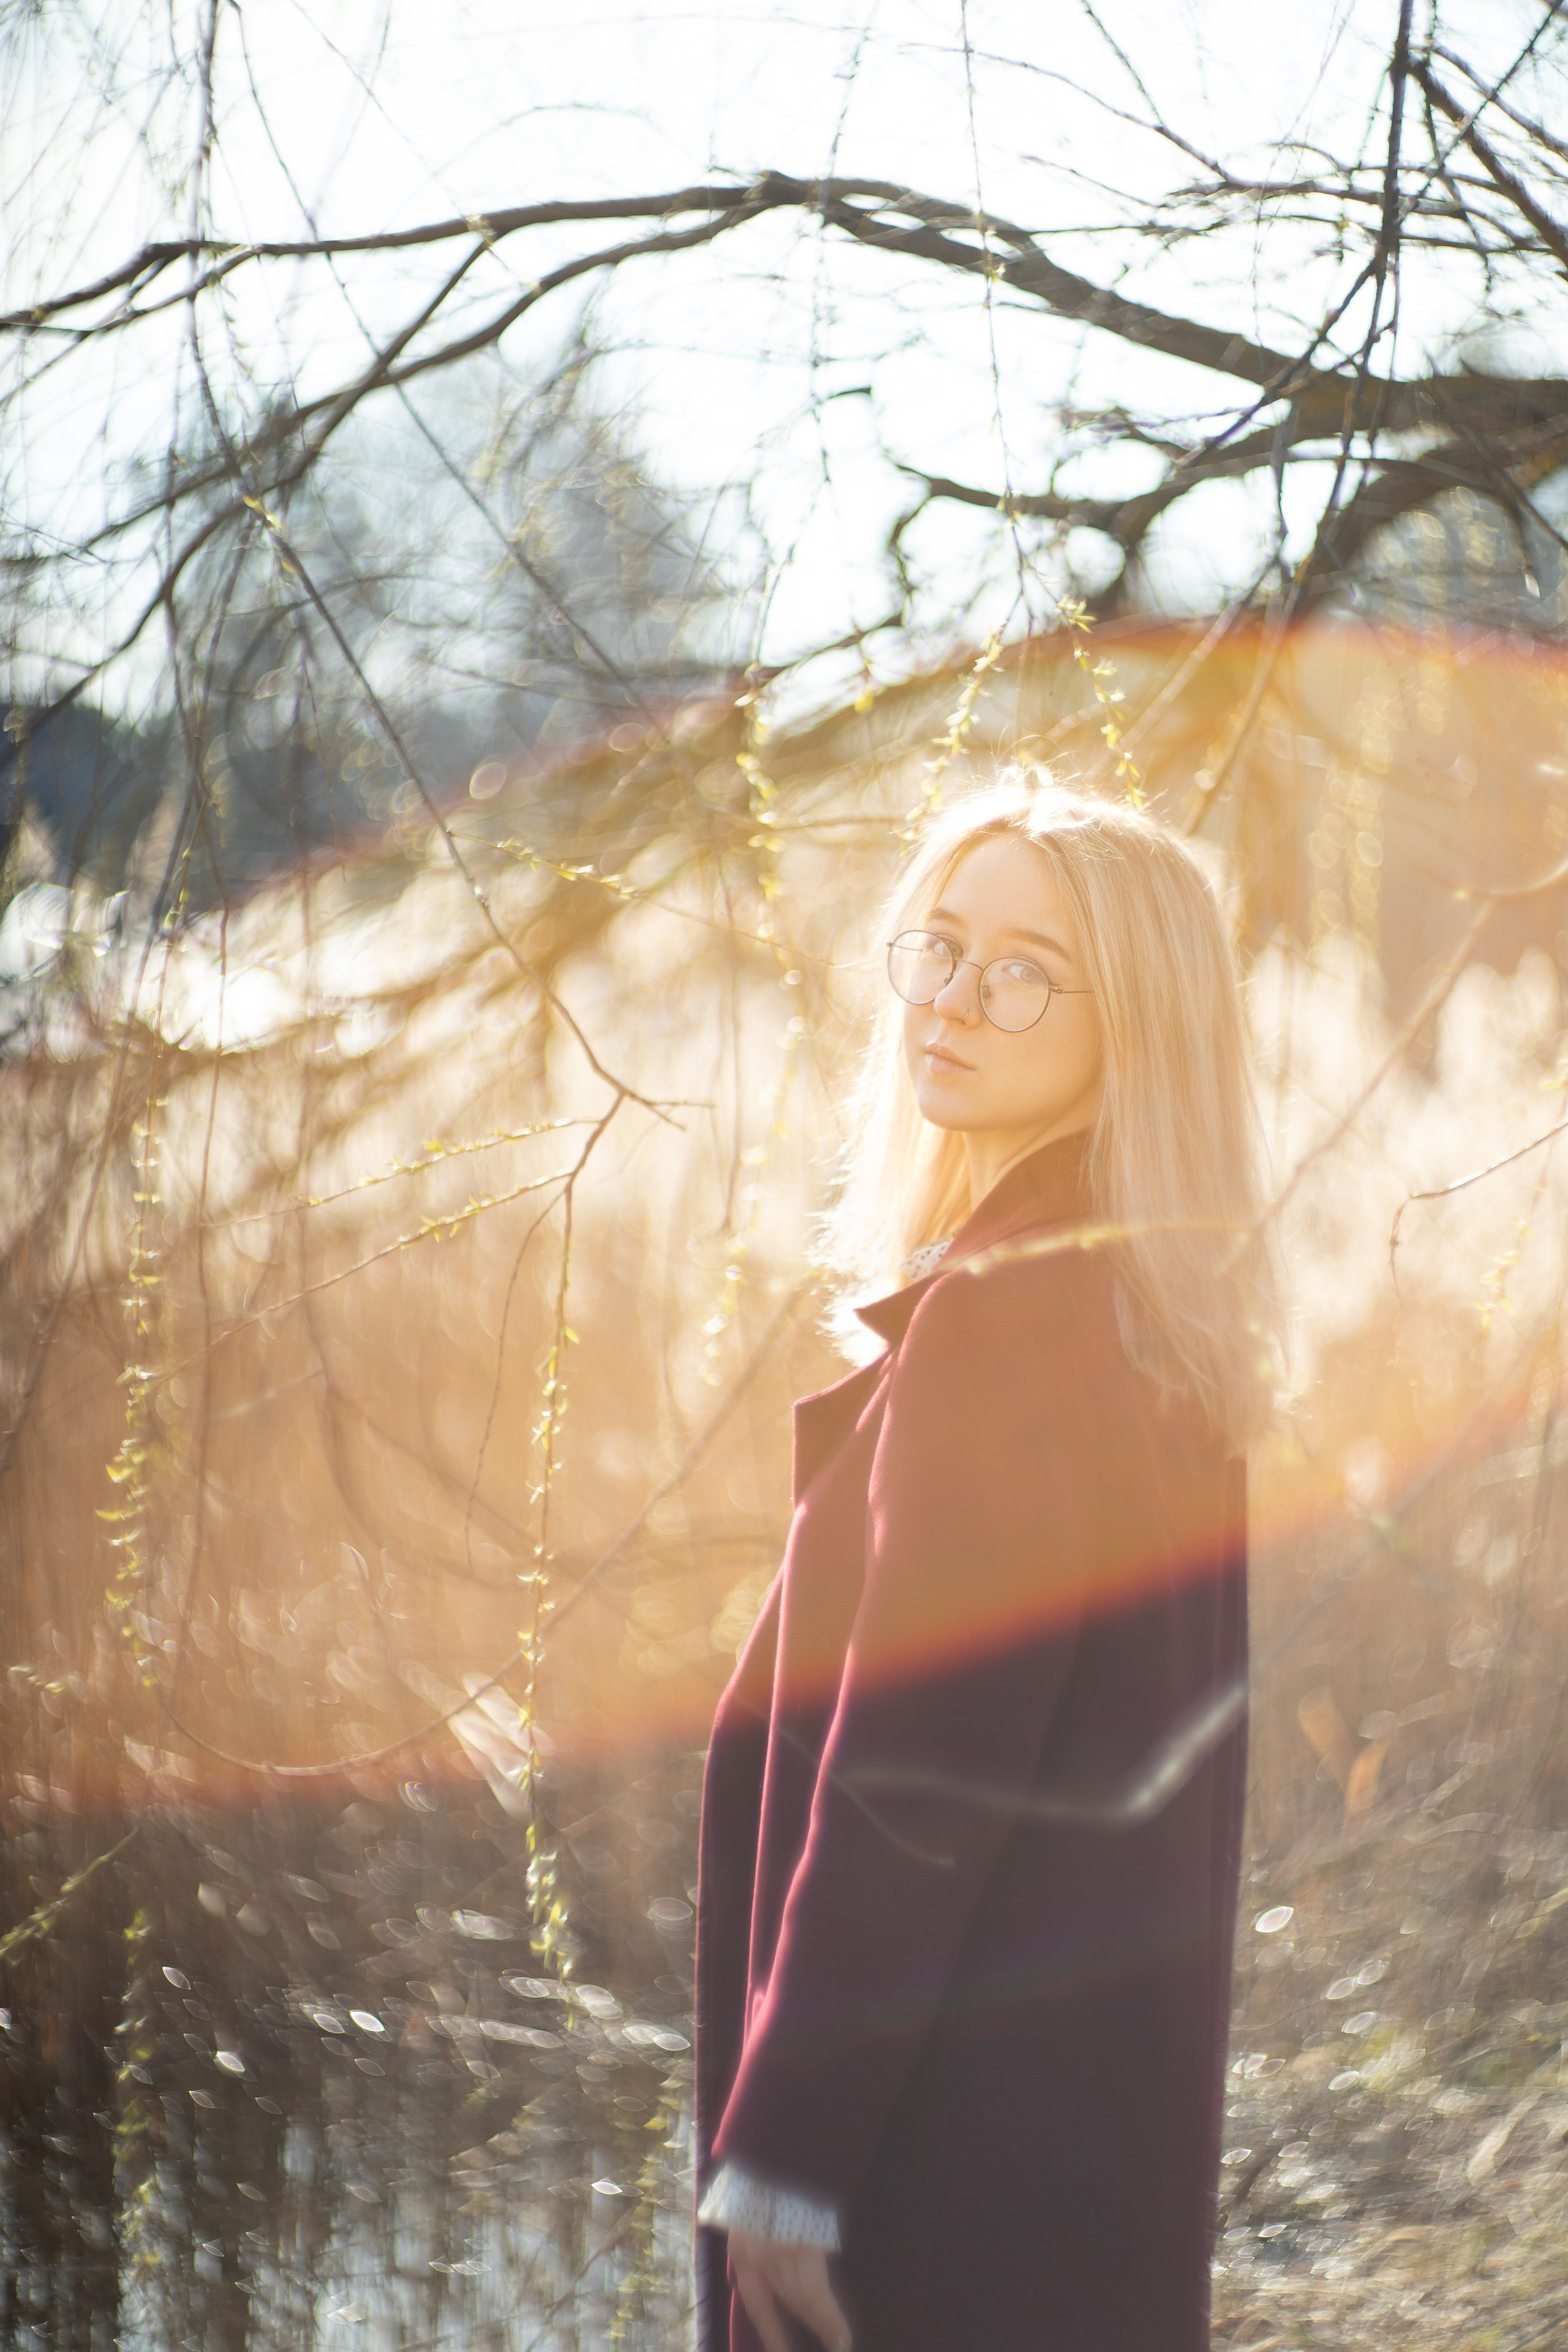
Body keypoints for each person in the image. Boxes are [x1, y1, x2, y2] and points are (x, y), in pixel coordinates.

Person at [693, 774, 1276, 2352]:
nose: (954, 998)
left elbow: (919, 1765)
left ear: (1134, 1023)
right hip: (1078, 2153)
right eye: (940, 946)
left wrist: (789, 2164)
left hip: (934, 2172)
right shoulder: (1144, 1311)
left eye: (1025, 969)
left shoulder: (1015, 1320)